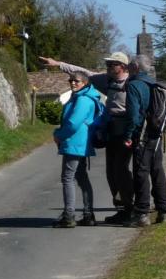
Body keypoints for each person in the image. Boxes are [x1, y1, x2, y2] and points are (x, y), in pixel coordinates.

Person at [39, 52, 135, 223]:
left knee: (121, 171)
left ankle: (130, 209)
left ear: (123, 66)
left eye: (112, 64)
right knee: (111, 173)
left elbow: (74, 123)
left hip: (125, 130)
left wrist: (58, 135)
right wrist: (58, 64)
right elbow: (84, 73)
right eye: (108, 65)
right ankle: (118, 210)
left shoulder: (132, 84)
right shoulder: (106, 80)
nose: (108, 68)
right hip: (112, 131)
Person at [51, 71, 103, 228]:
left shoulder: (83, 100)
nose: (73, 83)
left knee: (68, 178)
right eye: (71, 80)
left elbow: (73, 123)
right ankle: (88, 215)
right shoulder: (85, 97)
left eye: (77, 81)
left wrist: (59, 135)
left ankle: (69, 216)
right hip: (80, 143)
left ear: (85, 83)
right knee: (81, 178)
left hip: (75, 143)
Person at [125, 54, 166, 227]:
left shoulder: (134, 86)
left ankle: (142, 214)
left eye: (130, 65)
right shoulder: (155, 84)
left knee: (141, 172)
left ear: (136, 67)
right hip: (156, 133)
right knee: (157, 170)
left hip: (142, 134)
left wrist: (129, 135)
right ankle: (163, 210)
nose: (128, 68)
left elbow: (133, 115)